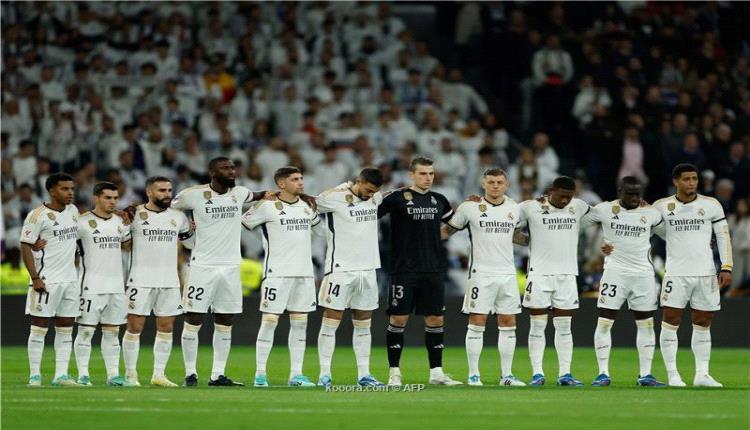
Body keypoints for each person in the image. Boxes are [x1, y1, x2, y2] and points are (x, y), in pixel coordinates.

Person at [170, 157, 262, 387]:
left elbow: (261, 195)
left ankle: (217, 374)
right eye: (225, 168)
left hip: (231, 267)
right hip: (202, 265)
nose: (231, 172)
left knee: (225, 319)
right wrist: (186, 231)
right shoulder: (192, 195)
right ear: (212, 172)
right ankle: (190, 373)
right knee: (194, 318)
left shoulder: (240, 193)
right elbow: (168, 209)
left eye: (232, 168)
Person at [378, 157, 462, 386]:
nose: (428, 178)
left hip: (433, 269)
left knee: (435, 319)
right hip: (403, 269)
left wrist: (438, 236)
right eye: (423, 173)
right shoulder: (396, 197)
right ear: (411, 175)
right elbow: (369, 215)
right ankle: (394, 372)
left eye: (431, 173)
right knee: (399, 318)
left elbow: (452, 224)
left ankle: (436, 373)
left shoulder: (440, 200)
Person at [442, 168, 527, 386]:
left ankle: (506, 376)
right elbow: (448, 231)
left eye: (499, 182)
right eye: (491, 182)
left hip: (507, 274)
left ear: (506, 185)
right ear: (483, 184)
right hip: (481, 274)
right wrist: (422, 234)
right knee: (477, 321)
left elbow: (515, 235)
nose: (495, 186)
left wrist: (536, 241)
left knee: (508, 322)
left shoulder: (514, 208)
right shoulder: (469, 207)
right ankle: (474, 374)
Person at [652, 164, 732, 387]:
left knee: (703, 321)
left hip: (706, 273)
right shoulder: (661, 207)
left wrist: (726, 267)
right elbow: (648, 229)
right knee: (670, 319)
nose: (691, 183)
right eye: (686, 179)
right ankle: (673, 374)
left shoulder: (711, 205)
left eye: (694, 179)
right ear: (675, 181)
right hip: (676, 273)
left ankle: (702, 375)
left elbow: (723, 236)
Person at [582, 177, 666, 387]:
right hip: (615, 273)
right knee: (605, 321)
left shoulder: (651, 213)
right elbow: (577, 221)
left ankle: (645, 374)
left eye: (638, 194)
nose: (635, 198)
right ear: (620, 191)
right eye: (630, 194)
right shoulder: (605, 209)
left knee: (646, 323)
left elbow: (670, 235)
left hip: (643, 275)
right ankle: (603, 373)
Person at [242, 167, 322, 387]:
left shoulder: (306, 206)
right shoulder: (267, 206)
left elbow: (320, 231)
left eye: (301, 178)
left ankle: (296, 375)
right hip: (277, 273)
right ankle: (260, 375)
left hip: (304, 274)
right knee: (269, 321)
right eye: (295, 179)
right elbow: (243, 223)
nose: (301, 182)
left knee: (300, 324)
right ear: (281, 184)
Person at [315, 168, 386, 387]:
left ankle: (364, 375)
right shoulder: (334, 197)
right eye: (368, 190)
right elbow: (307, 204)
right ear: (358, 181)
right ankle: (324, 374)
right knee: (331, 320)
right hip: (340, 269)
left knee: (364, 323)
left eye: (374, 191)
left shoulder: (376, 198)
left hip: (368, 270)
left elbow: (393, 194)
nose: (371, 195)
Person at [518, 176, 591, 386]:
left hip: (567, 275)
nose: (565, 201)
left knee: (565, 326)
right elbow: (507, 224)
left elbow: (602, 215)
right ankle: (537, 374)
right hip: (539, 274)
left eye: (569, 197)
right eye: (562, 196)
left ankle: (565, 374)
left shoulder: (579, 206)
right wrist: (529, 240)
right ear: (551, 190)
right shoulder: (529, 207)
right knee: (537, 325)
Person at [122, 177, 193, 387]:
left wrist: (181, 277)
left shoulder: (178, 217)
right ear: (149, 192)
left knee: (166, 327)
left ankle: (159, 375)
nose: (167, 194)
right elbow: (124, 244)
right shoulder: (135, 214)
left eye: (169, 190)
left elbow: (186, 245)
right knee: (135, 326)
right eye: (162, 190)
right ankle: (130, 375)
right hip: (140, 279)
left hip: (169, 280)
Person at [21, 173, 80, 386]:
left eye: (71, 188)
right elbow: (25, 245)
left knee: (66, 327)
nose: (70, 193)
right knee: (39, 327)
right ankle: (34, 375)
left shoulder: (73, 211)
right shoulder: (37, 215)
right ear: (52, 191)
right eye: (65, 189)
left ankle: (61, 375)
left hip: (70, 280)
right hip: (47, 280)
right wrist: (35, 277)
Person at [73, 182, 134, 386]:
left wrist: (132, 223)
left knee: (112, 332)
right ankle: (83, 375)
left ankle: (113, 376)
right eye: (108, 197)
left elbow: (128, 246)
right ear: (96, 198)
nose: (113, 202)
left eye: (115, 198)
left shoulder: (120, 222)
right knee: (86, 331)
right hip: (90, 286)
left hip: (116, 286)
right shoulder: (81, 222)